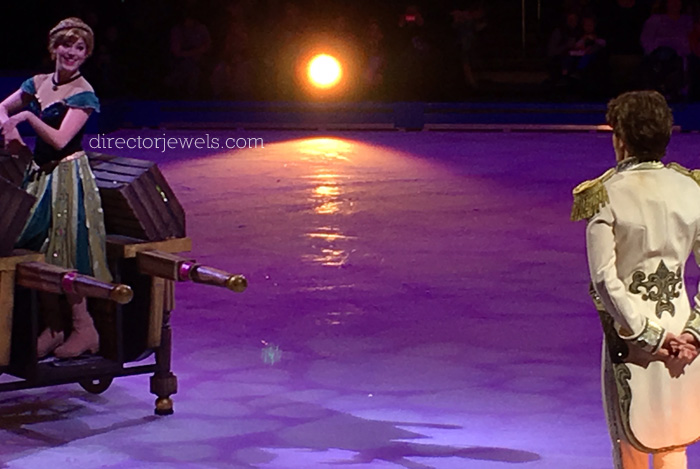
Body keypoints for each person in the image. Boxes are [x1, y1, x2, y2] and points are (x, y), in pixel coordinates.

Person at [572, 90, 700, 468]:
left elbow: (604, 280)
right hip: (683, 331)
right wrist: (693, 333)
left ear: (621, 139)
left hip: (631, 334)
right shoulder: (692, 188)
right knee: (673, 438)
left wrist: (650, 336)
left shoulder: (605, 194)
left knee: (630, 441)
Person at [0, 17, 111, 359]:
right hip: (40, 175)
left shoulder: (83, 93)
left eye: (80, 47)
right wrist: (9, 129)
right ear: (54, 48)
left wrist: (26, 119)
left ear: (87, 54)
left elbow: (61, 140)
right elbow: (2, 107)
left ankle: (84, 327)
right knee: (35, 249)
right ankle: (55, 325)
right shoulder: (37, 83)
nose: (71, 52)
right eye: (66, 44)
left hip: (67, 177)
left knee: (64, 251)